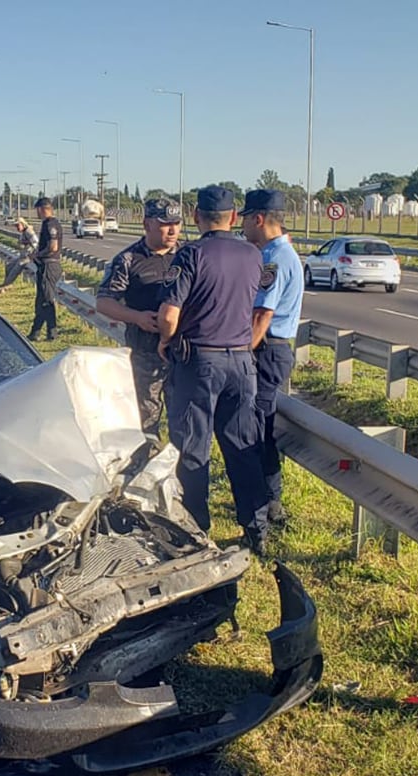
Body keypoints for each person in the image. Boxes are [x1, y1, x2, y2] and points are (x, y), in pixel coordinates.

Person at [156, 185, 270, 554]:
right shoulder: (253, 255)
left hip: (200, 361)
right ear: (234, 217)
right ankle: (257, 527)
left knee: (193, 448)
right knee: (241, 446)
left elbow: (169, 314)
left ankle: (196, 530)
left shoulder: (191, 254)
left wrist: (164, 340)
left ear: (195, 216)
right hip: (241, 360)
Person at [240, 189, 304, 527]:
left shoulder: (275, 258)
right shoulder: (275, 253)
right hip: (270, 349)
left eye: (246, 219)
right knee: (256, 423)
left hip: (267, 349)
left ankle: (270, 502)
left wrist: (241, 352)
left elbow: (263, 315)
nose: (243, 227)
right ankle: (265, 498)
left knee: (259, 427)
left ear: (259, 219)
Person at [95, 198, 183, 440]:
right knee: (146, 419)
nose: (173, 230)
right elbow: (104, 301)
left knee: (184, 421)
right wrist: (136, 317)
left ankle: (182, 472)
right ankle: (145, 464)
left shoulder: (188, 257)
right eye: (165, 224)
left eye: (176, 223)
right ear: (147, 224)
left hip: (181, 353)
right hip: (145, 351)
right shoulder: (129, 259)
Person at [27, 197, 63, 341]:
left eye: (37, 210)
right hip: (45, 265)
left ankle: (52, 332)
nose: (37, 213)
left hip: (49, 265)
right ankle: (35, 332)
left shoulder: (50, 225)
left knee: (47, 299)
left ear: (44, 209)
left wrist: (37, 254)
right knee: (41, 300)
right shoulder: (47, 224)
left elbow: (53, 247)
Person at [0, 216, 38, 293]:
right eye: (15, 226)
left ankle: (5, 286)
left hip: (28, 257)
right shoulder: (23, 233)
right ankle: (6, 284)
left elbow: (36, 242)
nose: (16, 227)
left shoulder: (29, 232)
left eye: (18, 225)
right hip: (22, 256)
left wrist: (33, 254)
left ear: (23, 224)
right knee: (9, 266)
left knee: (15, 270)